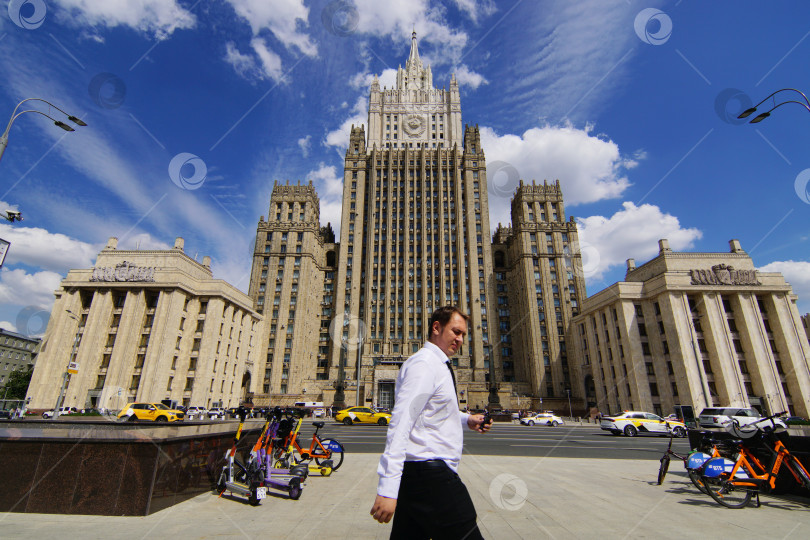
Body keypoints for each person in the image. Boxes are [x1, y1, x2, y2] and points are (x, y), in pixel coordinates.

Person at [370, 306, 491, 539]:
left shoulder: (439, 365)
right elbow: (402, 421)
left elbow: (431, 413)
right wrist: (387, 488)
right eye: (456, 332)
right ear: (436, 327)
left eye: (463, 334)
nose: (460, 339)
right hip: (431, 476)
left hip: (421, 475)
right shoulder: (425, 365)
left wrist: (467, 420)